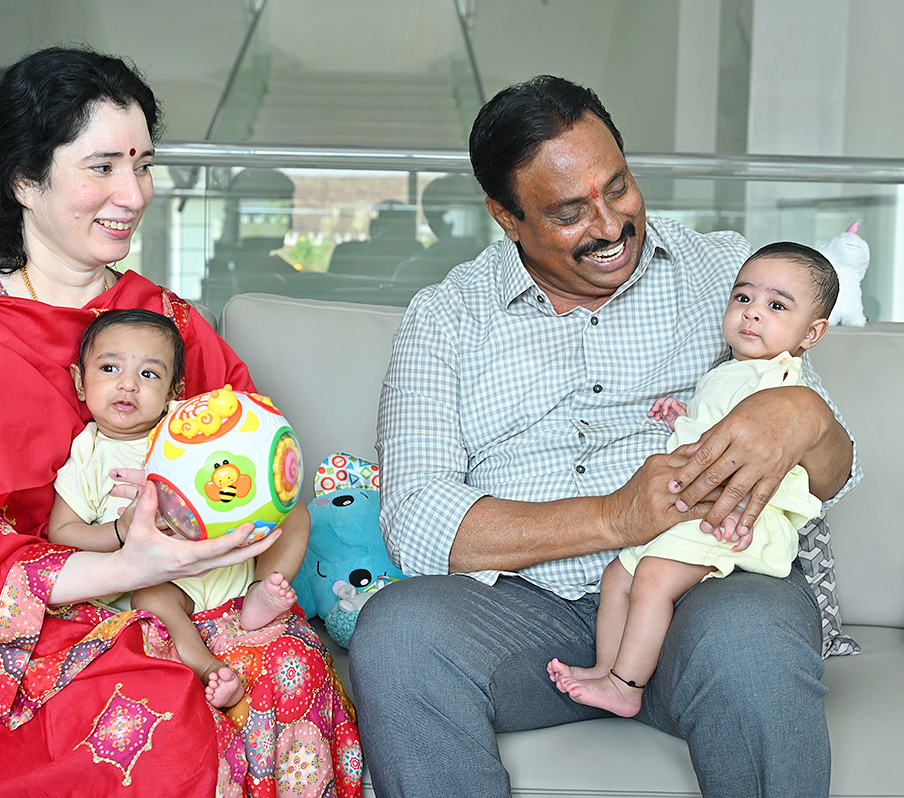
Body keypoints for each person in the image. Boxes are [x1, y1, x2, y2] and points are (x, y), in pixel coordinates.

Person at [0, 47, 360, 797]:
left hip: (200, 600)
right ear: (25, 181)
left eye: (144, 165)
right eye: (101, 167)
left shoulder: (166, 322)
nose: (133, 193)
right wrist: (129, 567)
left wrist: (237, 565)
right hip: (25, 622)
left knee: (288, 666)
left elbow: (264, 468)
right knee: (157, 717)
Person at [348, 75, 859, 798]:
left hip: (701, 594)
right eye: (567, 212)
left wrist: (806, 417)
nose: (610, 224)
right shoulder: (445, 319)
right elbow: (418, 520)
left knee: (752, 640)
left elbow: (832, 475)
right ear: (507, 216)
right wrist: (616, 516)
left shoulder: (726, 273)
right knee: (399, 634)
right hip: (525, 612)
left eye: (617, 187)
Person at [548, 242, 838, 718]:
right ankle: (606, 667)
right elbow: (714, 431)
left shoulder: (781, 384)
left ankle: (627, 685)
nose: (752, 315)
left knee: (654, 578)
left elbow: (778, 472)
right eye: (743, 299)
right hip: (686, 511)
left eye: (776, 306)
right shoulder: (730, 372)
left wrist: (741, 515)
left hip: (732, 520)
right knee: (617, 574)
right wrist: (683, 416)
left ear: (812, 333)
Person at [48, 308, 308, 709]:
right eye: (110, 368)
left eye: (149, 374)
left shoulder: (186, 427)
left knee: (295, 515)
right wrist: (121, 530)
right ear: (81, 382)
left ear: (175, 390)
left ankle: (260, 590)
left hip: (230, 563)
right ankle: (205, 664)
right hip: (159, 584)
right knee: (152, 597)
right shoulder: (87, 453)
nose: (128, 385)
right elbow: (60, 533)